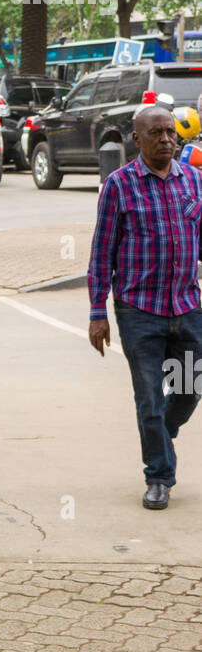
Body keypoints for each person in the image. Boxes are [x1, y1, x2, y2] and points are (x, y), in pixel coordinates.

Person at [88, 104, 202, 510]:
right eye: (156, 133)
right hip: (139, 311)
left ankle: (162, 433)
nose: (167, 139)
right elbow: (101, 252)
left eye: (171, 132)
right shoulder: (119, 186)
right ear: (137, 139)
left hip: (188, 307)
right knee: (149, 397)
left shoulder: (194, 181)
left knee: (190, 388)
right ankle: (159, 476)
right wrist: (97, 313)